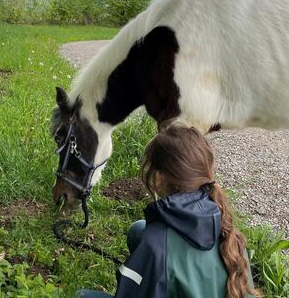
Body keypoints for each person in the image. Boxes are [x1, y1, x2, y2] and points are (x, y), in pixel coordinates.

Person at [77, 124, 256, 298]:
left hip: (158, 254)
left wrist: (147, 267)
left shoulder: (155, 245)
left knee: (82, 295)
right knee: (139, 230)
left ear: (159, 178)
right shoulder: (230, 234)